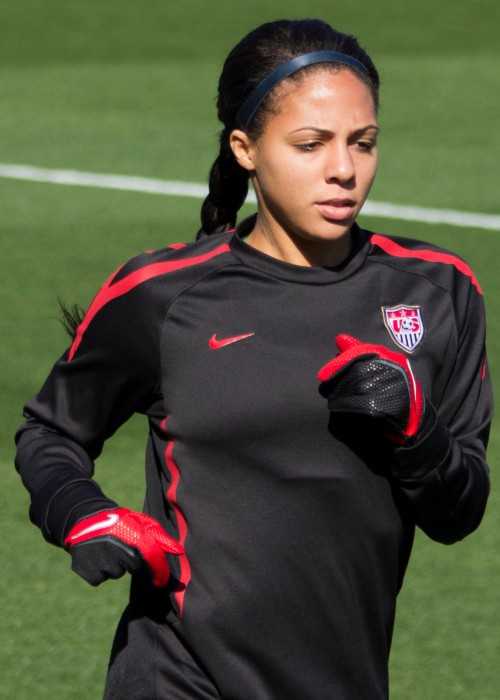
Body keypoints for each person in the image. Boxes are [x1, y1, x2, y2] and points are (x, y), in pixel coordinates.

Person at [15, 18, 492, 700]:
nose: (344, 170)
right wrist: (77, 509)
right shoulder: (163, 297)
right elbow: (51, 432)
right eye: (310, 144)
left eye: (364, 142)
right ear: (245, 148)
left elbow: (459, 511)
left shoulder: (438, 292)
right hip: (176, 677)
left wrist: (419, 431)